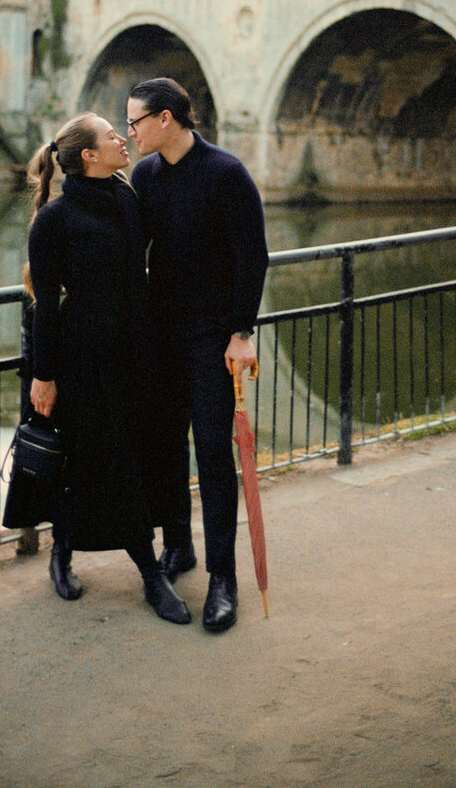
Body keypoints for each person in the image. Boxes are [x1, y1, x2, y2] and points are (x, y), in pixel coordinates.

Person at [22, 111, 190, 625]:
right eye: (112, 135)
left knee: (133, 454)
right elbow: (46, 306)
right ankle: (146, 573)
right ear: (88, 156)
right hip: (84, 356)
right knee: (100, 457)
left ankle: (66, 548)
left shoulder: (127, 196)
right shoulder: (54, 221)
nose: (123, 137)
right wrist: (43, 376)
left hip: (137, 351)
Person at [128, 78, 269, 633]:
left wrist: (241, 332)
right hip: (161, 337)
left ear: (166, 119)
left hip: (212, 338)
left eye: (136, 120)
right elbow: (130, 250)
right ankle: (179, 547)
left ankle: (222, 579)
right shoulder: (143, 176)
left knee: (212, 454)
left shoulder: (225, 173)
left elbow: (253, 256)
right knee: (164, 447)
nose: (130, 130)